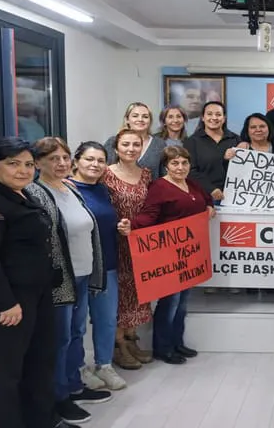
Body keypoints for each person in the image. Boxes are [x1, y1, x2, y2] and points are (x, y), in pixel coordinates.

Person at [0, 139, 77, 428]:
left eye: (28, 164)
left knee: (39, 362)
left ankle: (42, 421)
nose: (23, 170)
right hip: (4, 302)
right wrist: (6, 303)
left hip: (36, 295)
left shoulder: (24, 195)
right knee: (3, 373)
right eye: (13, 164)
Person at [25, 137, 111, 425]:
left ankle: (74, 385)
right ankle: (58, 396)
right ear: (38, 163)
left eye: (64, 157)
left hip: (84, 273)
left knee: (76, 333)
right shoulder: (35, 192)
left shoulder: (70, 188)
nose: (61, 163)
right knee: (59, 338)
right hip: (60, 279)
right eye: (53, 159)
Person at [121, 146, 216, 364]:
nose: (180, 167)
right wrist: (131, 226)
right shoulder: (159, 187)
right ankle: (163, 348)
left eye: (184, 163)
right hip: (168, 255)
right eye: (175, 163)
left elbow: (206, 199)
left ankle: (177, 343)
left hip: (189, 255)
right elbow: (149, 215)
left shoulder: (192, 184)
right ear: (166, 166)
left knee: (182, 302)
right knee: (170, 302)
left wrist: (210, 207)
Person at [70, 141, 128, 391]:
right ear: (76, 161)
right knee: (77, 323)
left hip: (107, 264)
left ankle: (104, 365)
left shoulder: (103, 190)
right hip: (79, 268)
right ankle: (78, 368)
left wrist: (121, 227)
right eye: (89, 159)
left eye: (101, 161)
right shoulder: (67, 190)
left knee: (106, 319)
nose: (95, 164)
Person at [101, 129, 154, 370]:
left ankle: (131, 339)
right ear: (116, 148)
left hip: (140, 241)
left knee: (138, 291)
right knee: (120, 294)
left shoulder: (146, 174)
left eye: (136, 144)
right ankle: (118, 345)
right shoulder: (105, 174)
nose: (131, 149)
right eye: (125, 144)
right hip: (115, 242)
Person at [183, 101, 241, 204]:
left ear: (224, 118)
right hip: (205, 197)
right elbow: (190, 171)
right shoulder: (192, 141)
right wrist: (211, 189)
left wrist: (244, 146)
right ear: (203, 117)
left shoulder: (236, 139)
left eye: (218, 114)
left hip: (234, 196)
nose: (214, 118)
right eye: (209, 114)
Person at [103, 102, 167, 179]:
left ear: (150, 121)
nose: (140, 119)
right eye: (135, 116)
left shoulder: (159, 144)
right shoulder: (112, 141)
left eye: (145, 117)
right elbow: (103, 169)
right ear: (127, 120)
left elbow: (164, 175)